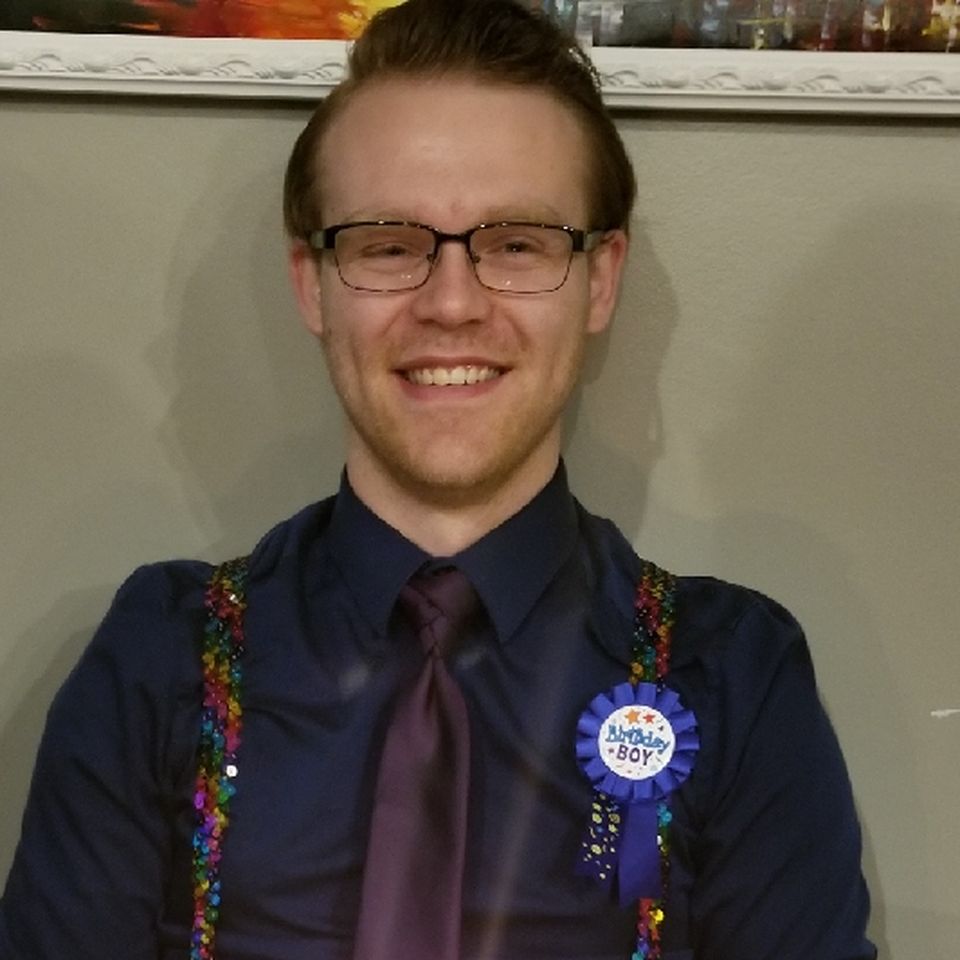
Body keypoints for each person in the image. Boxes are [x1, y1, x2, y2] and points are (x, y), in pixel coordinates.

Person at [0, 1, 876, 958]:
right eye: (387, 244)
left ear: (601, 279)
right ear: (310, 281)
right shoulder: (158, 659)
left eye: (518, 243)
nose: (452, 303)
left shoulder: (735, 675)